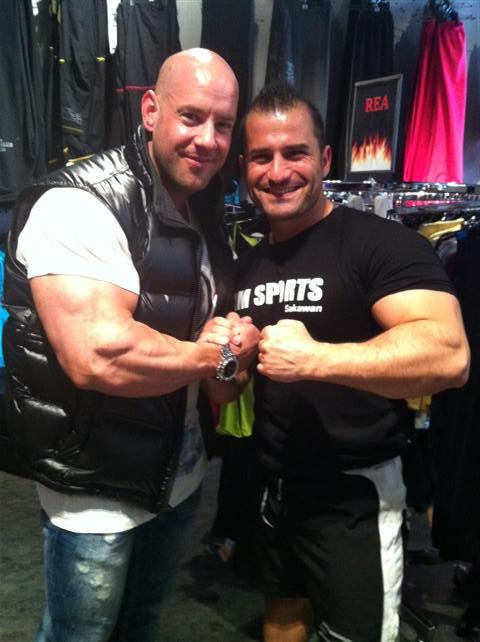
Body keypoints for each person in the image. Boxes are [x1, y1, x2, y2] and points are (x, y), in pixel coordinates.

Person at [0, 48, 260, 642]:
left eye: (223, 124)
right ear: (150, 110)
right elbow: (99, 355)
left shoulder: (205, 209)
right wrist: (218, 355)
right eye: (191, 116)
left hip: (178, 478)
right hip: (97, 489)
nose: (208, 139)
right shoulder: (80, 203)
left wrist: (233, 344)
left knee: (141, 626)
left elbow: (218, 356)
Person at [233, 82, 470, 642]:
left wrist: (316, 359)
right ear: (244, 167)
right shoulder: (249, 263)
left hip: (354, 495)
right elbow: (229, 386)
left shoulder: (380, 244)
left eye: (295, 153)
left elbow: (449, 353)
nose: (278, 171)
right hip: (272, 482)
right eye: (262, 157)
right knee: (283, 612)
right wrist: (225, 356)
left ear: (325, 158)